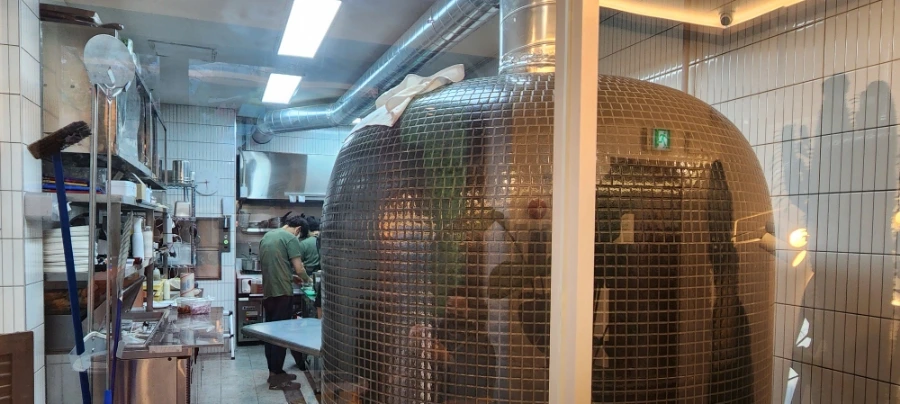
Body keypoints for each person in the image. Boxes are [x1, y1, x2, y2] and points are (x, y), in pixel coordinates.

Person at [258, 215, 313, 390]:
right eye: (299, 235)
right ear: (298, 229)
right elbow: (299, 268)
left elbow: (276, 265)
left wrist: (291, 277)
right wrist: (308, 280)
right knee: (281, 335)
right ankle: (277, 380)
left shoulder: (268, 236)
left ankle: (274, 373)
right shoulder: (290, 238)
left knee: (271, 334)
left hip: (269, 292)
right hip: (282, 293)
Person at [303, 216, 323, 318]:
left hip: (309, 278)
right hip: (324, 277)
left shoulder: (304, 243)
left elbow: (297, 263)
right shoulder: (326, 238)